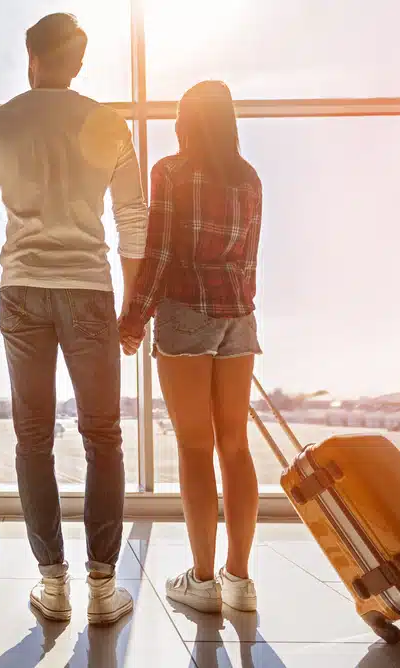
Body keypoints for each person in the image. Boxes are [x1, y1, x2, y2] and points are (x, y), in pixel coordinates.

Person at [0, 13, 147, 625]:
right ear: (79, 63)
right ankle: (101, 585)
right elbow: (133, 220)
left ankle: (53, 583)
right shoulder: (110, 123)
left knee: (34, 439)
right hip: (89, 288)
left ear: (30, 57)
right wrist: (132, 308)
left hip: (21, 292)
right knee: (103, 437)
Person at [119, 80, 263, 614]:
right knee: (236, 446)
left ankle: (202, 582)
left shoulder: (172, 172)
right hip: (239, 318)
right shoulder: (249, 178)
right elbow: (250, 258)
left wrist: (134, 319)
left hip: (185, 315)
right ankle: (240, 581)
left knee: (195, 448)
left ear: (187, 121)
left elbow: (157, 254)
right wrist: (240, 314)